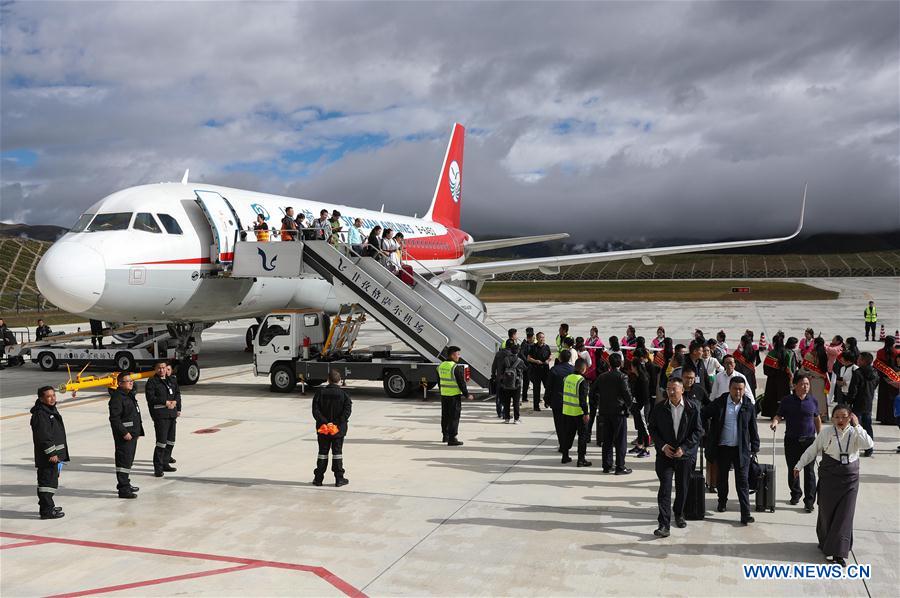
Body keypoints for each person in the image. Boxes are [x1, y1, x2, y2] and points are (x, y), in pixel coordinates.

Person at [794, 405, 874, 567]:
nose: (840, 420)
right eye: (837, 417)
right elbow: (812, 449)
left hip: (850, 480)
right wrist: (799, 465)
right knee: (827, 512)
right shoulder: (827, 433)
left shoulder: (855, 432)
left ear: (850, 417)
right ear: (832, 418)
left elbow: (868, 444)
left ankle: (838, 552)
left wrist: (857, 425)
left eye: (844, 416)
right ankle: (825, 541)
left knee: (844, 515)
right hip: (830, 478)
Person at [648, 377, 704, 537]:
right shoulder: (659, 408)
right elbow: (652, 429)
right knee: (665, 489)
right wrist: (663, 446)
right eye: (669, 388)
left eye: (674, 389)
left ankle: (679, 513)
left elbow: (698, 431)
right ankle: (664, 524)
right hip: (665, 455)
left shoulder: (693, 408)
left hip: (684, 455)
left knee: (683, 487)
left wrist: (684, 448)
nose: (671, 392)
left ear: (682, 390)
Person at [702, 377, 760, 525]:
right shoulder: (720, 402)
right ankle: (722, 501)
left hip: (741, 450)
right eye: (735, 388)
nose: (738, 392)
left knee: (742, 482)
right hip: (723, 448)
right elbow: (703, 414)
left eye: (741, 389)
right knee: (722, 479)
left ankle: (745, 514)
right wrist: (707, 433)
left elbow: (753, 427)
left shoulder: (748, 405)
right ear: (729, 388)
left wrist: (755, 445)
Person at [770, 373, 821, 512]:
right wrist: (775, 421)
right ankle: (795, 493)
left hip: (809, 441)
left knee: (810, 472)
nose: (805, 387)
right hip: (792, 440)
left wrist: (820, 435)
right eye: (803, 384)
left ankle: (809, 501)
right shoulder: (787, 400)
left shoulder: (813, 400)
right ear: (795, 385)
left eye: (807, 384)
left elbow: (816, 418)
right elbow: (779, 415)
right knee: (794, 469)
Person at [30, 386, 69, 519]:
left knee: (51, 482)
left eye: (54, 395)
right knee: (47, 483)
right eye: (48, 396)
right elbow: (43, 437)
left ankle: (48, 506)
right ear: (41, 398)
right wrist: (52, 453)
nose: (52, 398)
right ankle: (47, 511)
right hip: (48, 457)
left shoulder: (49, 410)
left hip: (55, 455)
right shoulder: (41, 414)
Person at [593, 353, 633, 474]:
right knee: (620, 440)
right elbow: (627, 394)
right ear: (620, 363)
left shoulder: (602, 377)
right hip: (618, 412)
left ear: (609, 363)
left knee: (607, 440)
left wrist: (599, 404)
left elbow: (593, 391)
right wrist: (629, 405)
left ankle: (607, 465)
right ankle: (620, 466)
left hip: (605, 411)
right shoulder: (622, 377)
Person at [312, 369, 352, 487]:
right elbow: (347, 413)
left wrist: (326, 423)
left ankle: (318, 479)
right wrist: (335, 423)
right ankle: (339, 479)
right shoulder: (344, 395)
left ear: (328, 380)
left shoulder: (319, 393)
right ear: (339, 381)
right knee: (337, 453)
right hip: (338, 430)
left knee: (322, 453)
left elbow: (315, 411)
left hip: (323, 429)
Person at [108, 372, 143, 499]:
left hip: (132, 434)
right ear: (120, 383)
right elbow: (114, 419)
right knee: (123, 462)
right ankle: (123, 489)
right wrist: (125, 432)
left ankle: (126, 483)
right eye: (128, 381)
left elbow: (136, 415)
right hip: (125, 436)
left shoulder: (129, 395)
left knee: (128, 461)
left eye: (131, 381)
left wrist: (139, 431)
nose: (131, 383)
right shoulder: (117, 398)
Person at [145, 362, 178, 477]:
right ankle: (158, 468)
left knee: (171, 441)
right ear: (155, 369)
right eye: (159, 368)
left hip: (171, 414)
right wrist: (165, 402)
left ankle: (165, 463)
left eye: (163, 368)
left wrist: (175, 403)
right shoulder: (152, 382)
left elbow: (177, 393)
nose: (162, 370)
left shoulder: (171, 380)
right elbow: (151, 398)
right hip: (161, 415)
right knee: (161, 442)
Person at [439, 346, 473, 446]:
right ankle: (452, 438)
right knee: (454, 417)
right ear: (453, 355)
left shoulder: (441, 366)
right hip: (454, 396)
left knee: (445, 416)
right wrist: (467, 395)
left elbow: (439, 381)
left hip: (444, 395)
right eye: (458, 354)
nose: (459, 356)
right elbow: (461, 383)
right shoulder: (455, 367)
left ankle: (445, 436)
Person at [560, 358, 591, 466]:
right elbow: (583, 400)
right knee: (582, 436)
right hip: (579, 413)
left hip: (567, 411)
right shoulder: (582, 381)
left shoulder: (567, 378)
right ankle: (581, 459)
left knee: (567, 435)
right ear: (583, 369)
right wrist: (586, 413)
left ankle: (565, 456)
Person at [847, 352, 878, 457]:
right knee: (868, 425)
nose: (857, 361)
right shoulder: (875, 372)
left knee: (855, 425)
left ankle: (854, 447)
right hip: (868, 402)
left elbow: (853, 389)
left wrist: (849, 401)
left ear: (864, 361)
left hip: (857, 403)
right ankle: (869, 448)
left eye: (859, 359)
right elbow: (875, 385)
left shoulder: (857, 373)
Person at [492, 339, 526, 423]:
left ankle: (506, 418)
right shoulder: (519, 361)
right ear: (517, 351)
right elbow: (526, 368)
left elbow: (500, 369)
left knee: (506, 401)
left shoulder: (505, 359)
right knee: (516, 402)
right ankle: (516, 419)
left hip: (506, 384)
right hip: (516, 384)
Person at [548, 350, 575, 452]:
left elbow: (549, 386)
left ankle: (563, 445)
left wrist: (547, 399)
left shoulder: (554, 370)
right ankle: (567, 444)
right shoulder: (573, 370)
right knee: (570, 425)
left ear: (560, 358)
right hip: (571, 402)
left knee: (559, 425)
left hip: (558, 401)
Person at [762, 333, 793, 418]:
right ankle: (784, 414)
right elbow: (789, 368)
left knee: (772, 397)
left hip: (772, 379)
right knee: (783, 397)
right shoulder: (787, 353)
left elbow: (766, 369)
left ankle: (773, 414)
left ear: (774, 343)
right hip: (784, 380)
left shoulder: (771, 353)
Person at [627, 350, 652, 458]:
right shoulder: (638, 377)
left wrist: (640, 406)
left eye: (631, 366)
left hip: (643, 406)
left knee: (644, 427)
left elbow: (645, 395)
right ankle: (639, 445)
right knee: (640, 427)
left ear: (635, 366)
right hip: (638, 405)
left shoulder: (643, 378)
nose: (630, 368)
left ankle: (646, 448)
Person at [802, 337, 831, 420]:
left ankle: (813, 415)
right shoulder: (825, 354)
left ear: (815, 344)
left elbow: (804, 368)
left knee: (812, 398)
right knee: (821, 399)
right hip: (822, 379)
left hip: (812, 379)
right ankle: (822, 416)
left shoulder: (809, 355)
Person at [874, 336, 899, 425]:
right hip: (895, 378)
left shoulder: (880, 352)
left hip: (883, 378)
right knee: (893, 399)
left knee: (883, 399)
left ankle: (883, 418)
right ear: (893, 343)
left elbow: (877, 366)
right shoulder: (897, 352)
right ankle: (893, 418)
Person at [527, 332, 552, 411]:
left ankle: (547, 401)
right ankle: (536, 406)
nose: (542, 339)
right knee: (536, 389)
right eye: (540, 337)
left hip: (545, 370)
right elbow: (528, 358)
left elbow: (550, 355)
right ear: (537, 338)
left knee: (548, 387)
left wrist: (548, 360)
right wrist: (535, 361)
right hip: (536, 370)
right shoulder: (533, 347)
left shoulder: (547, 347)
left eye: (543, 337)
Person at [164, 362, 181, 464]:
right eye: (166, 369)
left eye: (169, 370)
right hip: (164, 413)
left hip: (173, 412)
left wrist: (178, 409)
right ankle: (164, 457)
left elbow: (177, 395)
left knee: (171, 438)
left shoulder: (173, 380)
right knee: (163, 438)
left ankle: (168, 455)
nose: (167, 372)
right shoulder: (160, 382)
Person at [518, 327, 535, 406]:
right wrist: (527, 361)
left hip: (533, 364)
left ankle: (535, 396)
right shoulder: (524, 343)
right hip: (527, 365)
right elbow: (521, 354)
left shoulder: (533, 342)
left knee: (534, 382)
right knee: (526, 382)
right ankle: (524, 397)